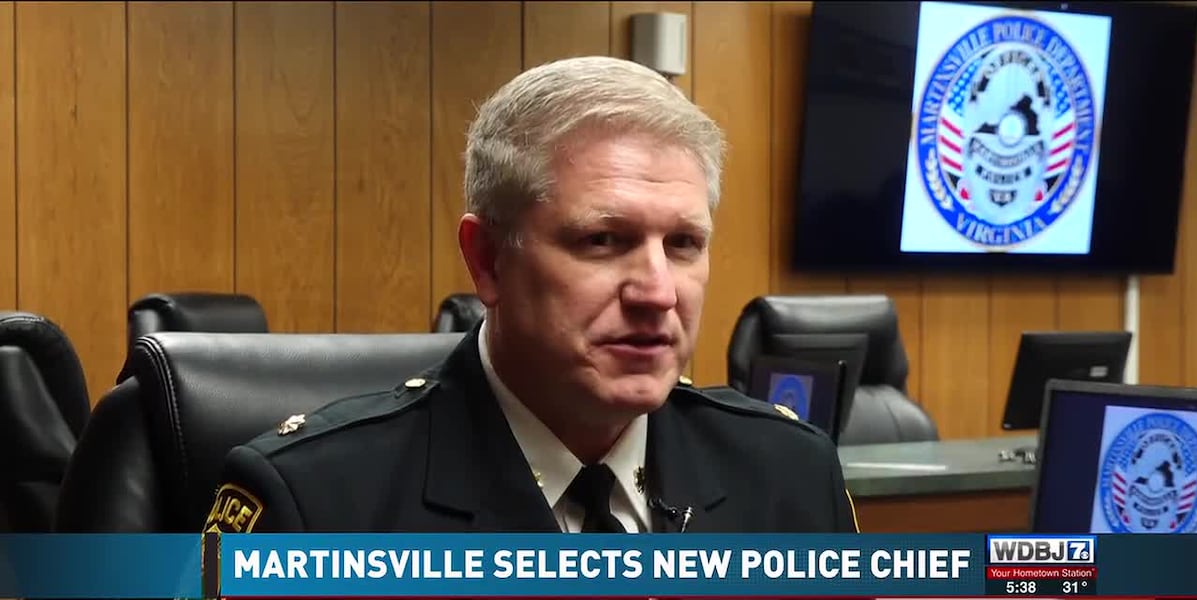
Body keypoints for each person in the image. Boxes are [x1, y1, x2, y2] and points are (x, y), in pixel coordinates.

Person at [204, 56, 859, 534]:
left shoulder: (791, 474)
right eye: (602, 240)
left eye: (684, 243)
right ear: (488, 260)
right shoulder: (312, 501)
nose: (658, 292)